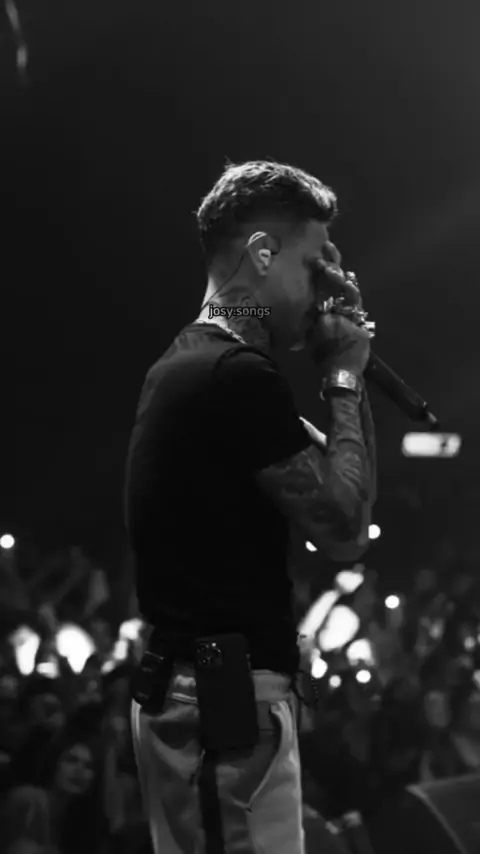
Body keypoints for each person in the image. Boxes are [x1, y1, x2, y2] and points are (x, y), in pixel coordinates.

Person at [124, 159, 376, 854]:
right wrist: (343, 374)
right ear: (263, 254)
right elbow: (345, 530)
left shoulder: (208, 366)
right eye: (314, 263)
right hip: (218, 709)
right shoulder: (231, 376)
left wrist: (345, 367)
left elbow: (349, 503)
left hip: (222, 701)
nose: (326, 285)